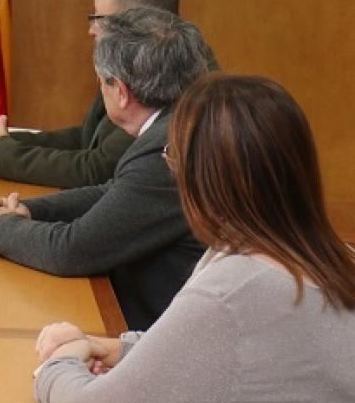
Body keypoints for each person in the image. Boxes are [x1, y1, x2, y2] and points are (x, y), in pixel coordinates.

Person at [31, 75, 355, 402]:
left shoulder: (234, 288)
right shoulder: (338, 259)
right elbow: (238, 349)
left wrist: (58, 364)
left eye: (174, 157)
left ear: (204, 177)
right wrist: (119, 349)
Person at [0, 7, 212, 330]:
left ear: (122, 92)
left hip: (158, 329)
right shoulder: (180, 120)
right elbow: (114, 191)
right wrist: (27, 210)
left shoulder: (169, 148)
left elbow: (73, 250)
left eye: (102, 83)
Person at [0, 0, 179, 188]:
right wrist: (2, 142)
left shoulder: (163, 77)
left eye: (99, 18)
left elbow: (96, 170)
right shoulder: (131, 63)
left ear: (135, 22)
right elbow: (86, 139)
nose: (91, 30)